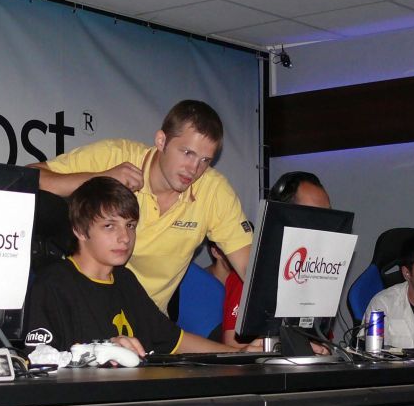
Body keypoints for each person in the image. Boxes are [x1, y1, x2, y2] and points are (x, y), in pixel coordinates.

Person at [30, 100, 253, 311]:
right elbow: (28, 176)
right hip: (84, 307)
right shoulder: (116, 156)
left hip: (144, 321)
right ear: (161, 141)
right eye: (187, 153)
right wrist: (100, 178)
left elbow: (249, 268)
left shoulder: (213, 191)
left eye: (205, 160)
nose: (194, 169)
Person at [24, 177, 253, 359]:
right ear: (80, 231)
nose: (125, 237)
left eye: (130, 225)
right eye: (109, 226)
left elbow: (174, 339)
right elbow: (40, 361)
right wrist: (99, 351)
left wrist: (240, 355)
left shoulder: (125, 280)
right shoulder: (53, 285)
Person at [222, 171, 331, 349]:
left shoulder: (322, 271)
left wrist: (323, 350)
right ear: (283, 216)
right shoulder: (248, 271)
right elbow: (232, 346)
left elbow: (324, 338)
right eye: (312, 215)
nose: (322, 225)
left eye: (327, 217)